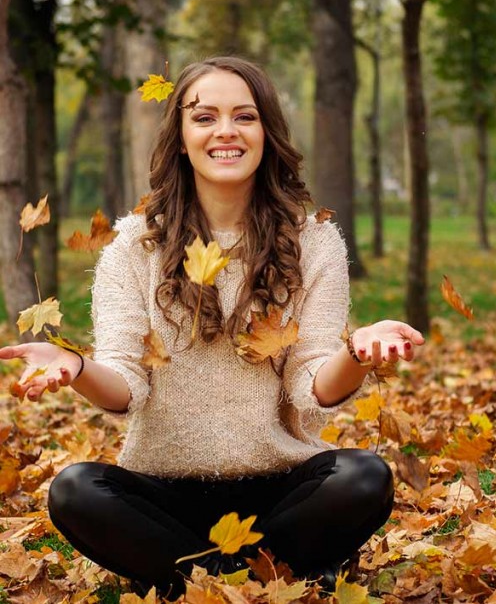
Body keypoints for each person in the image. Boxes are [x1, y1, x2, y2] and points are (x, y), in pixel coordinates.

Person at [0, 57, 425, 598]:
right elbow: (125, 388)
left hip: (280, 493)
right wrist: (78, 367)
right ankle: (252, 581)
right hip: (164, 496)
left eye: (244, 116)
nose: (226, 131)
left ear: (266, 133)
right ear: (180, 137)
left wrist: (358, 354)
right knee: (75, 490)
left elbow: (313, 385)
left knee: (364, 477)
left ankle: (206, 582)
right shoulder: (133, 247)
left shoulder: (314, 243)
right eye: (204, 117)